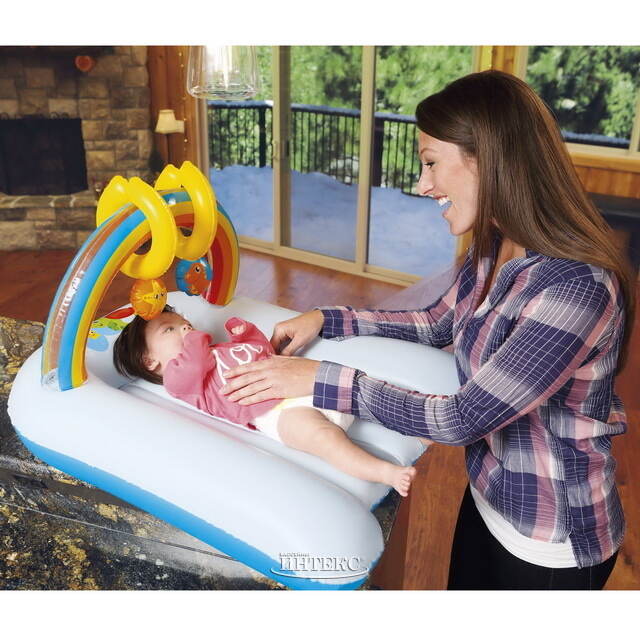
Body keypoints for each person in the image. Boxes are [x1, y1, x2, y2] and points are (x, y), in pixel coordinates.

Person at [218, 69, 635, 590]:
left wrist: (317, 378)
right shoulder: (498, 246)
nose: (422, 185)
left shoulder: (575, 290)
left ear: (488, 159)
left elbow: (462, 418)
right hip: (490, 495)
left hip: (552, 539)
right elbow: (438, 322)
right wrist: (326, 318)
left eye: (431, 163)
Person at [112, 305, 417, 496]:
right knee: (324, 438)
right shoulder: (177, 381)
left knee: (359, 392)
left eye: (184, 322)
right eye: (170, 329)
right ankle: (384, 472)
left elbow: (264, 352)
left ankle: (413, 423)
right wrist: (193, 338)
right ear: (149, 360)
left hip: (298, 383)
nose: (186, 327)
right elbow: (194, 362)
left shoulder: (219, 349)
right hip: (278, 412)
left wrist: (246, 335)